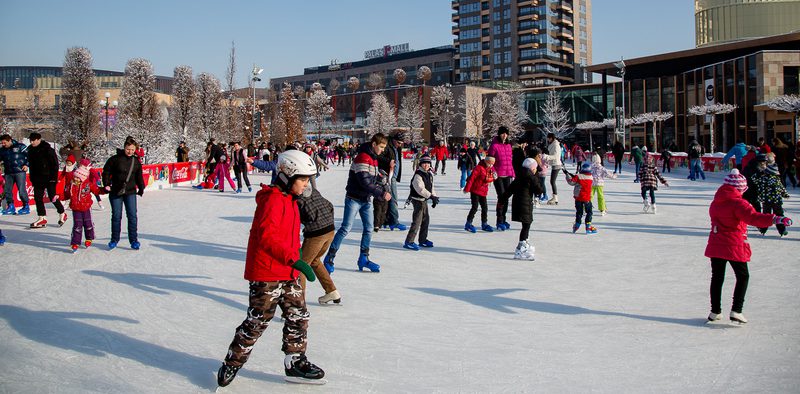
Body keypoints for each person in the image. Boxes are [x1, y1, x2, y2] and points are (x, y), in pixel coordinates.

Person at [217, 150, 325, 387]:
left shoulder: (291, 201)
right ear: (287, 176)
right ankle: (232, 362)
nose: (307, 185)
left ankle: (295, 360)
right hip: (267, 273)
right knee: (258, 321)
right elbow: (267, 237)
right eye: (303, 179)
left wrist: (295, 259)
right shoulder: (273, 200)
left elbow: (289, 237)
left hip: (288, 271)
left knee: (298, 316)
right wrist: (295, 260)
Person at [704, 169, 793, 324]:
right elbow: (753, 217)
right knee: (743, 276)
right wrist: (775, 219)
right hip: (733, 244)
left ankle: (715, 311)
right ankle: (736, 310)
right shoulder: (739, 203)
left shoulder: (716, 202)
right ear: (739, 188)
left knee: (717, 277)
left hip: (716, 243)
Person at [323, 133, 392, 273]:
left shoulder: (373, 158)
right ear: (374, 144)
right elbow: (364, 182)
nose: (383, 150)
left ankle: (364, 258)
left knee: (368, 229)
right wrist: (382, 193)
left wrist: (381, 181)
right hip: (354, 199)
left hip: (365, 199)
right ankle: (329, 258)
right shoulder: (363, 157)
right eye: (381, 146)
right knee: (345, 228)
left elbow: (371, 179)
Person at [296, 172, 341, 305]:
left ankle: (298, 303)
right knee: (315, 260)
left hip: (317, 233)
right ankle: (331, 291)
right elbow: (329, 205)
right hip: (330, 229)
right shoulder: (313, 190)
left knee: (302, 267)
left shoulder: (297, 197)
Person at [102, 138, 145, 250]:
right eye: (128, 149)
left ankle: (134, 240)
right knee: (116, 216)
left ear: (135, 149)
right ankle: (114, 239)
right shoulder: (115, 159)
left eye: (132, 149)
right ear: (124, 147)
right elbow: (106, 171)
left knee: (132, 216)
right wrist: (106, 184)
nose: (130, 151)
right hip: (116, 191)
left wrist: (141, 187)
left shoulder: (136, 162)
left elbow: (139, 176)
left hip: (130, 192)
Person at [26, 133, 67, 228]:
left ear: (39, 139)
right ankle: (42, 218)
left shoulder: (48, 149)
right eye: (30, 140)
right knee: (38, 198)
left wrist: (53, 178)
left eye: (34, 140)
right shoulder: (30, 151)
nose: (32, 142)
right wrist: (32, 177)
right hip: (37, 179)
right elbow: (31, 166)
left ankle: (62, 213)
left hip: (49, 178)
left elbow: (55, 165)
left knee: (52, 197)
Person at [508, 157, 543, 260]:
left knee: (526, 224)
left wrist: (502, 200)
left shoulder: (520, 175)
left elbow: (510, 189)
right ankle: (521, 249)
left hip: (519, 203)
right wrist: (536, 178)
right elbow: (539, 190)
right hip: (525, 204)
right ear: (532, 168)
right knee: (526, 225)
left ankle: (525, 243)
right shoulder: (530, 177)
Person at [403, 154, 437, 250]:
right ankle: (409, 241)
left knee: (426, 220)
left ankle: (422, 240)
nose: (426, 165)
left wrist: (434, 197)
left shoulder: (429, 174)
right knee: (417, 221)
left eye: (428, 163)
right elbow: (420, 189)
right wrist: (430, 196)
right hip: (417, 200)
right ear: (420, 164)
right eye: (424, 163)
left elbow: (431, 187)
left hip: (424, 200)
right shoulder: (418, 175)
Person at [377, 132, 407, 231]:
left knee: (388, 198)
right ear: (394, 139)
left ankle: (386, 220)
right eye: (399, 142)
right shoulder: (387, 145)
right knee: (393, 198)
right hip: (387, 175)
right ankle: (394, 222)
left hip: (392, 175)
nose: (400, 145)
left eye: (401, 143)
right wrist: (388, 161)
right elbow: (379, 157)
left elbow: (397, 161)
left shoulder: (396, 147)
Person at [68, 159, 100, 252]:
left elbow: (97, 190)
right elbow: (66, 194)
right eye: (75, 177)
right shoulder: (71, 186)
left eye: (78, 178)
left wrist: (105, 189)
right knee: (77, 226)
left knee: (88, 224)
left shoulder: (88, 185)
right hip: (76, 208)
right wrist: (58, 196)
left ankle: (89, 238)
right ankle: (75, 242)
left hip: (86, 207)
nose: (76, 179)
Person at [487, 127, 514, 228]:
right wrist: (493, 172)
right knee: (501, 197)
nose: (505, 135)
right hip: (498, 175)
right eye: (503, 133)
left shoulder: (508, 145)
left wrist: (512, 173)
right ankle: (499, 220)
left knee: (506, 197)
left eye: (506, 133)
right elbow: (489, 161)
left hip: (507, 174)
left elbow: (509, 160)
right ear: (499, 134)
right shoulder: (494, 146)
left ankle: (504, 219)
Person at [755, 163, 790, 237]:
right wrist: (785, 194)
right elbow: (781, 188)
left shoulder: (763, 179)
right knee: (779, 215)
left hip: (766, 201)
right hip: (777, 201)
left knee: (765, 216)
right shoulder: (777, 179)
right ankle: (782, 230)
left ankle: (763, 229)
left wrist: (760, 197)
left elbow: (760, 188)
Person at [463, 156, 497, 233]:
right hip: (475, 191)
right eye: (490, 163)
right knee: (475, 207)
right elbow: (471, 178)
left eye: (492, 164)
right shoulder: (478, 168)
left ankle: (484, 224)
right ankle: (468, 223)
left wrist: (494, 177)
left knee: (485, 208)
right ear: (486, 162)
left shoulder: (489, 169)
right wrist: (467, 189)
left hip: (483, 192)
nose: (491, 165)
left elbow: (489, 179)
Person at [0, 134, 30, 215]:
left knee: (21, 190)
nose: (3, 144)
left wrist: (26, 164)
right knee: (7, 190)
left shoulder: (20, 146)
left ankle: (26, 206)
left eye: (4, 143)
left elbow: (30, 156)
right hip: (8, 172)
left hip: (19, 171)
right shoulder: (2, 150)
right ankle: (11, 206)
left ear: (10, 140)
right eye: (2, 143)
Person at [565, 163, 596, 234]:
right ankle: (588, 226)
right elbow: (583, 181)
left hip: (578, 198)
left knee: (579, 212)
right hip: (587, 199)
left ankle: (577, 225)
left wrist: (567, 175)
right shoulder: (591, 177)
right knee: (589, 212)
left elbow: (572, 182)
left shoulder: (578, 176)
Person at [544, 132, 563, 205]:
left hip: (556, 164)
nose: (547, 140)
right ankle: (555, 197)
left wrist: (547, 157)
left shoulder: (556, 145)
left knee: (552, 181)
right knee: (552, 181)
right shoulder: (553, 144)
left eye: (548, 138)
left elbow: (556, 156)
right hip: (554, 164)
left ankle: (555, 197)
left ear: (551, 138)